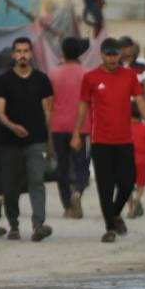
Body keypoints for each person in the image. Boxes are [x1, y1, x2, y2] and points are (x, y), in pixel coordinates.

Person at [72, 37, 145, 243]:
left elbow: (141, 101)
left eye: (115, 54)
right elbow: (83, 105)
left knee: (128, 182)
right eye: (108, 54)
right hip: (101, 140)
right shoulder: (91, 77)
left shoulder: (130, 76)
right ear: (102, 55)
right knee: (105, 185)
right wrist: (76, 133)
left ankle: (115, 213)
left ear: (120, 55)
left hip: (125, 139)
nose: (112, 58)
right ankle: (109, 227)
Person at [0, 37, 54, 242]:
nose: (22, 55)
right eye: (18, 51)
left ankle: (39, 224)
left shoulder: (42, 80)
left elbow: (48, 112)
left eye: (26, 51)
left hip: (36, 140)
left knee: (37, 181)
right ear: (13, 55)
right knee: (11, 186)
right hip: (10, 142)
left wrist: (50, 141)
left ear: (31, 54)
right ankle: (14, 224)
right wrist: (12, 126)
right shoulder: (3, 81)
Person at [49, 36, 91, 219]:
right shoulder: (87, 74)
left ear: (63, 52)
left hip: (58, 126)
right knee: (82, 165)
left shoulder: (53, 73)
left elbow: (48, 104)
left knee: (63, 167)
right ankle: (77, 193)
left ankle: (67, 206)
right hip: (82, 127)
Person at [128, 103, 145, 219]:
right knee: (141, 183)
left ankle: (131, 209)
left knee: (126, 186)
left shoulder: (124, 127)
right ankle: (138, 198)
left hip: (126, 160)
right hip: (141, 160)